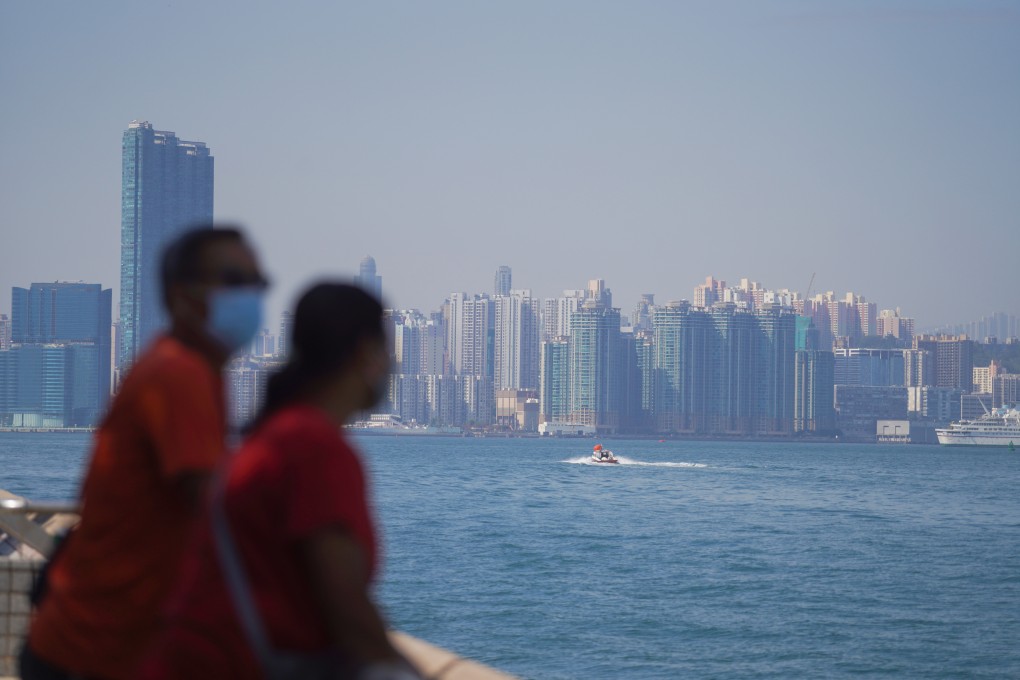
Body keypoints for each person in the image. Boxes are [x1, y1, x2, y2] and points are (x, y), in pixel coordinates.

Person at [21, 227, 267, 680]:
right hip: (93, 654)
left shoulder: (193, 372)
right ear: (181, 295)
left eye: (257, 283)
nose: (250, 296)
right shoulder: (179, 375)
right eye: (234, 282)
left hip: (100, 647)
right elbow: (218, 516)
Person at [139, 283, 420, 679]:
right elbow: (348, 611)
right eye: (388, 350)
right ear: (365, 352)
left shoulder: (275, 435)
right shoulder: (314, 448)